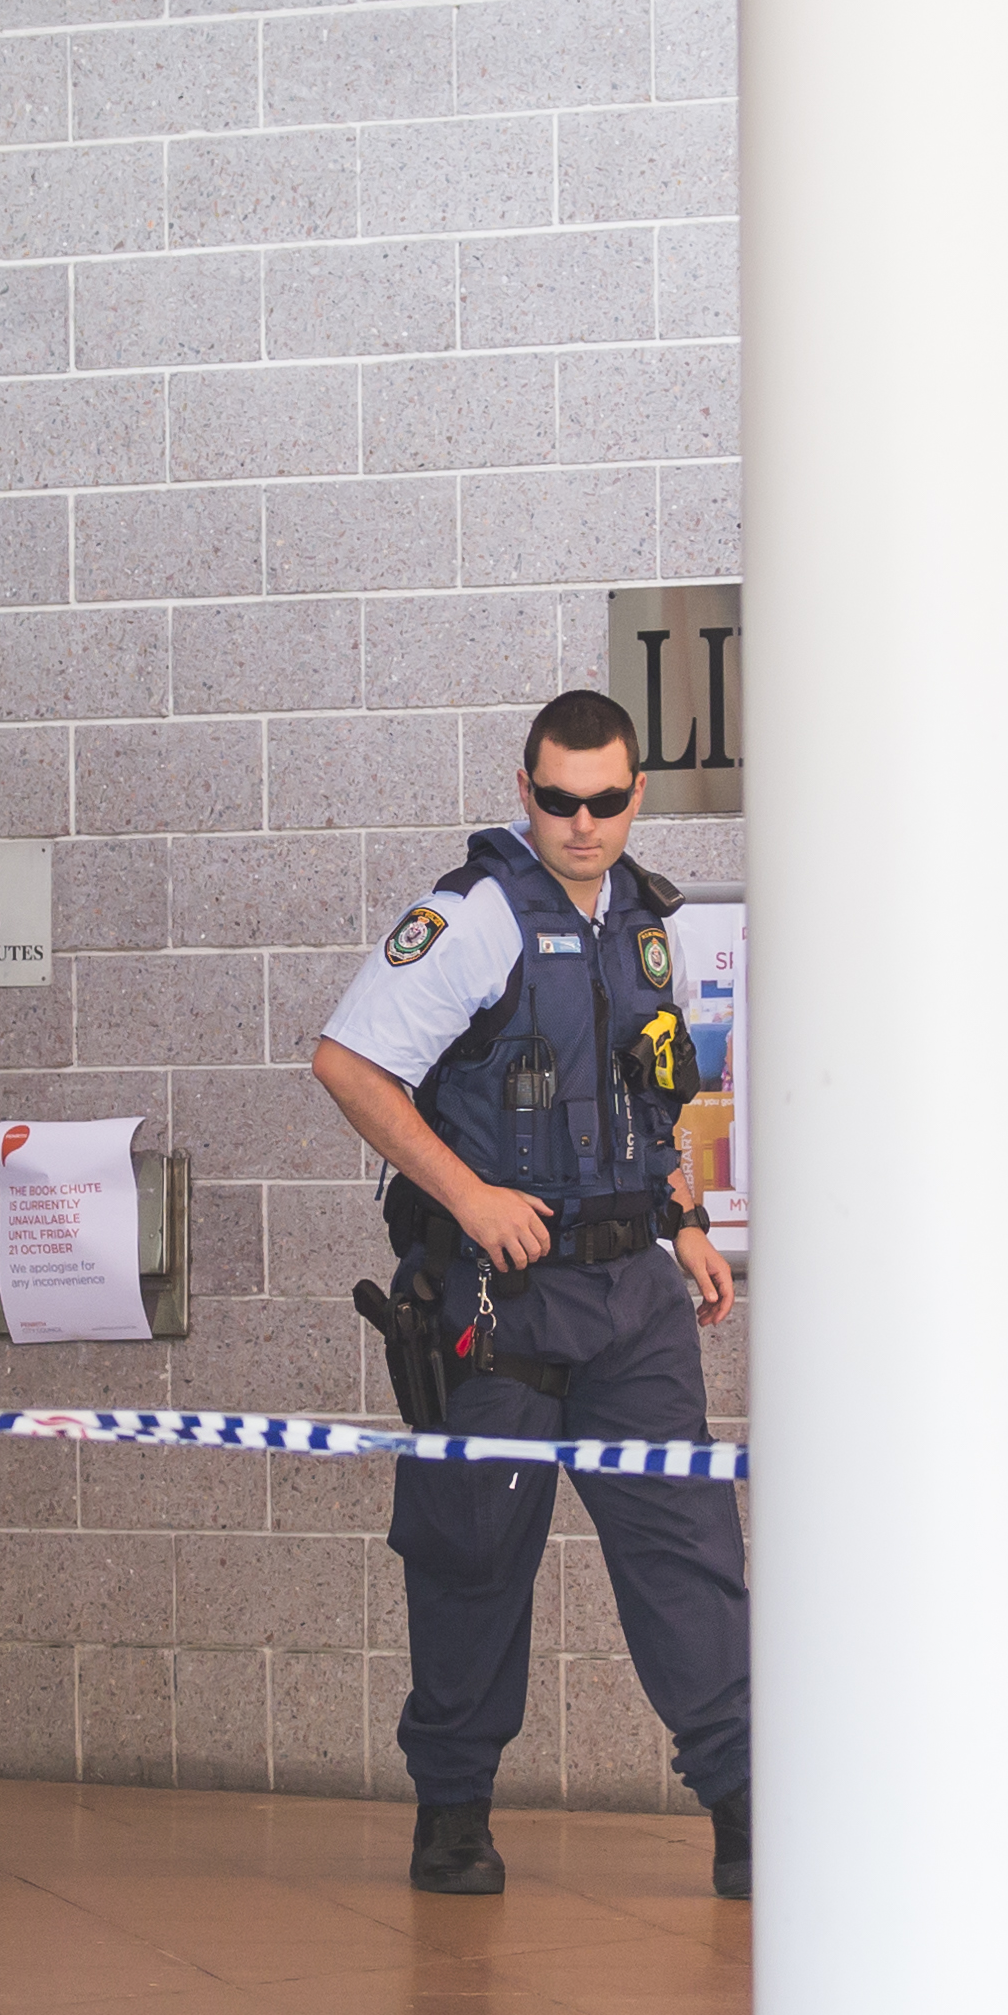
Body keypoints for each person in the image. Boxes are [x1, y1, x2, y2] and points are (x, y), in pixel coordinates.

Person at [310, 690, 753, 1900]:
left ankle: (745, 1807)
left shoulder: (644, 925)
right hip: (501, 1301)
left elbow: (642, 1100)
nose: (582, 821)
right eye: (558, 798)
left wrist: (685, 1221)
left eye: (606, 799)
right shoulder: (472, 919)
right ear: (525, 790)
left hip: (635, 1299)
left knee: (689, 1551)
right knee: (474, 1552)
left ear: (635, 794)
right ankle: (452, 1809)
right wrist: (466, 1198)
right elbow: (347, 1062)